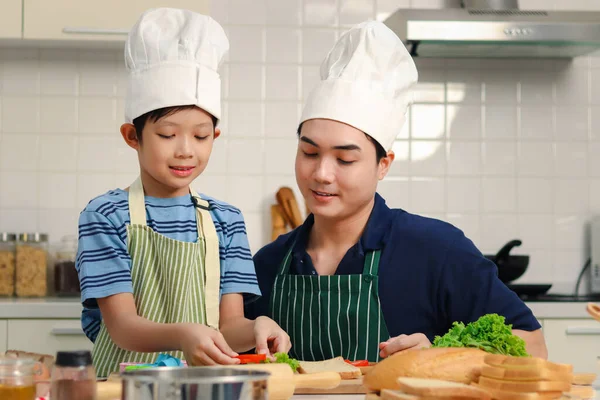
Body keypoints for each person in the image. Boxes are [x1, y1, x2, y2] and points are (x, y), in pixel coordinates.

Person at [245, 20, 547, 362]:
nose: (321, 174)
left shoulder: (436, 250)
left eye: (344, 159)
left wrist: (442, 354)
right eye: (309, 153)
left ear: (383, 164)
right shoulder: (268, 263)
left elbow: (533, 346)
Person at [76, 8, 290, 377]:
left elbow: (228, 327)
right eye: (167, 134)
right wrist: (185, 334)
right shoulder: (105, 216)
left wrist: (258, 326)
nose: (185, 149)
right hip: (124, 388)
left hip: (205, 388)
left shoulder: (226, 221)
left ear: (214, 137)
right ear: (133, 136)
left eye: (201, 135)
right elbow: (122, 326)